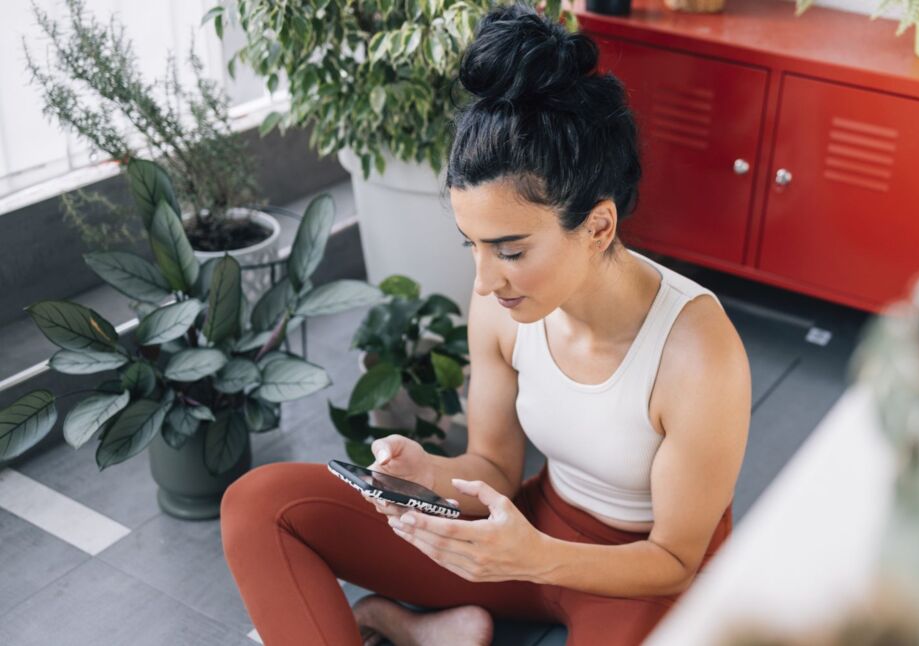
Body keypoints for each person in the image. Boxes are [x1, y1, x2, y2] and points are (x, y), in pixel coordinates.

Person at [220, 5, 751, 645]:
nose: (483, 281)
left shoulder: (697, 351)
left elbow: (674, 561)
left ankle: (403, 624)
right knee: (260, 505)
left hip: (639, 575)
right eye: (471, 244)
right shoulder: (502, 305)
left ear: (599, 227)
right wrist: (426, 474)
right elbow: (494, 470)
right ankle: (415, 628)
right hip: (527, 529)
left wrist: (532, 557)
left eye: (510, 250)